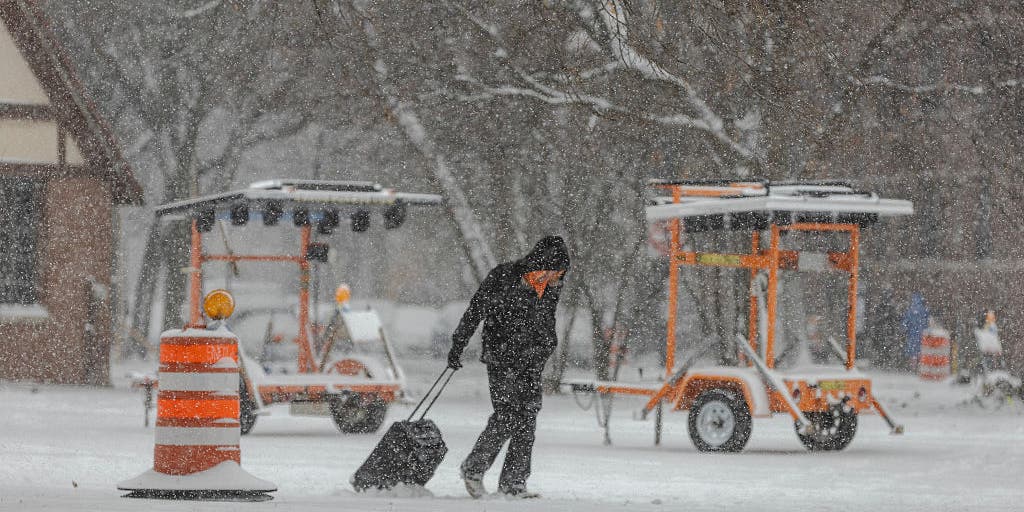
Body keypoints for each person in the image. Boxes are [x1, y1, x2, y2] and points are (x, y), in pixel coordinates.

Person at [447, 235, 570, 499]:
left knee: (527, 419)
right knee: (508, 415)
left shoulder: (550, 287)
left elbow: (546, 321)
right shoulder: (504, 276)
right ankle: (473, 469)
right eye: (557, 272)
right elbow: (475, 310)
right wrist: (458, 344)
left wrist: (547, 345)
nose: (559, 279)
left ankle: (514, 484)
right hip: (502, 358)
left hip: (532, 361)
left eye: (561, 274)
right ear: (544, 264)